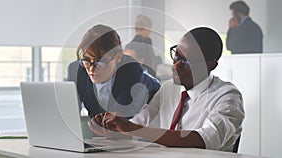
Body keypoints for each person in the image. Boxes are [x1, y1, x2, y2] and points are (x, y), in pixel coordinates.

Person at [89, 27, 245, 152]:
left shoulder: (227, 96)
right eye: (176, 56)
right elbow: (140, 123)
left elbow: (203, 140)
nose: (176, 66)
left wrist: (134, 129)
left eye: (187, 61)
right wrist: (115, 130)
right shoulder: (168, 88)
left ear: (210, 65)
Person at [76, 24, 160, 118]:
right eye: (87, 60)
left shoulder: (133, 76)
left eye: (101, 61)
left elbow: (117, 120)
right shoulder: (79, 70)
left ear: (118, 57)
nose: (92, 69)